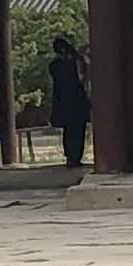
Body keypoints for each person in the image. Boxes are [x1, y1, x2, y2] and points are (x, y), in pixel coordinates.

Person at [48, 38, 91, 169]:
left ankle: (70, 158)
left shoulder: (54, 66)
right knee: (78, 131)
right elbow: (83, 76)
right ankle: (76, 157)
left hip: (62, 102)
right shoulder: (75, 62)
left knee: (68, 131)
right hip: (77, 100)